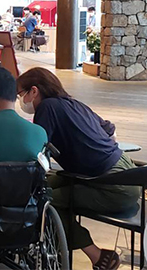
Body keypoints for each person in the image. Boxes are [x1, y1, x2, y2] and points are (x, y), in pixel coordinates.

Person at [16, 68, 139, 270]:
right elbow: (110, 131)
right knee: (48, 185)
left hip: (114, 187)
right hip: (127, 172)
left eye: (21, 94)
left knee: (46, 201)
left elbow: (38, 151)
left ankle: (98, 256)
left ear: (34, 91)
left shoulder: (46, 107)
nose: (21, 100)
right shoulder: (73, 104)